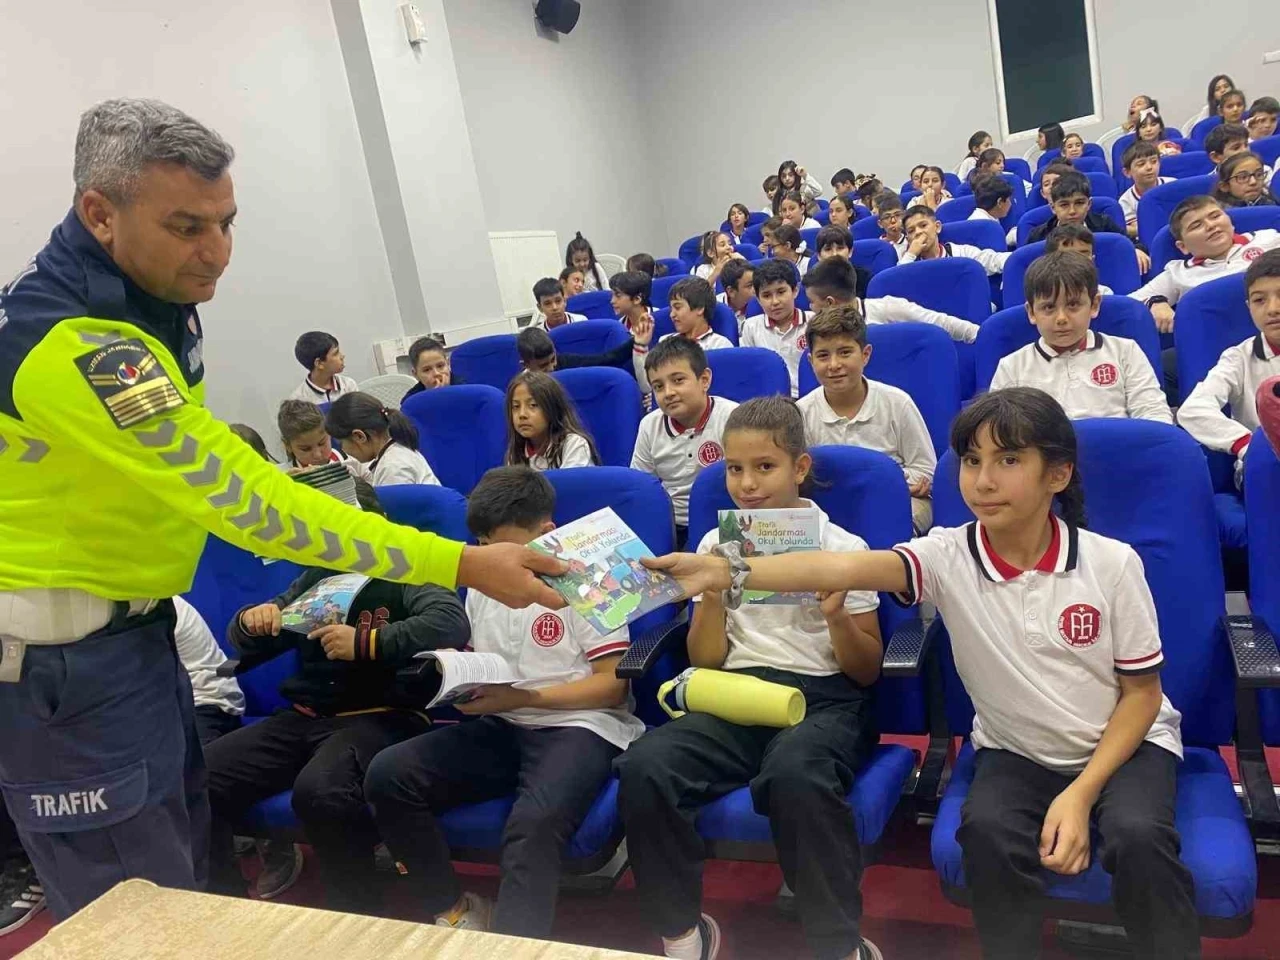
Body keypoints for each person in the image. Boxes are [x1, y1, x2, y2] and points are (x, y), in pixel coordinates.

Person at [2, 114, 556, 934]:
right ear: (100, 214)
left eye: (226, 223)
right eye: (186, 227)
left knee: (184, 881)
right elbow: (252, 504)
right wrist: (460, 563)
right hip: (66, 665)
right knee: (135, 920)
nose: (217, 251)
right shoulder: (73, 343)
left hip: (130, 643)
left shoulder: (143, 299)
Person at [650, 387, 1200, 960]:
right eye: (972, 461)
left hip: (1125, 747)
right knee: (986, 835)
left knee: (1139, 838)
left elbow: (1143, 695)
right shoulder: (945, 555)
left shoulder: (1112, 563)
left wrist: (1080, 795)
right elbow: (837, 566)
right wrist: (722, 572)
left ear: (1057, 475)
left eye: (1009, 460)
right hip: (1017, 750)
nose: (983, 481)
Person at [618, 397, 885, 960]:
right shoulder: (713, 548)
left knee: (796, 775)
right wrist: (714, 596)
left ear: (799, 467)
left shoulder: (844, 550)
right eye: (735, 469)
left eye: (765, 467)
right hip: (736, 696)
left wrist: (836, 616)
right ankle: (681, 934)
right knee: (646, 766)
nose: (747, 484)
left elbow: (866, 670)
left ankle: (839, 946)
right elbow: (706, 660)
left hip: (824, 699)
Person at [364, 466, 643, 936]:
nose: (496, 559)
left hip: (582, 724)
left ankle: (515, 945)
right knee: (388, 775)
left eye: (508, 549)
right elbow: (485, 662)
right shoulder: (484, 580)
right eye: (485, 547)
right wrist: (458, 679)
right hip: (504, 720)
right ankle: (455, 909)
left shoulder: (590, 577)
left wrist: (524, 696)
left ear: (547, 533)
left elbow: (612, 686)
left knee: (532, 826)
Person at [206, 478, 470, 912]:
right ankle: (228, 909)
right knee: (197, 779)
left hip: (381, 714)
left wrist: (367, 642)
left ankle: (358, 916)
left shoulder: (407, 568)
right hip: (305, 714)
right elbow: (255, 640)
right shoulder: (318, 577)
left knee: (321, 792)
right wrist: (250, 621)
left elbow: (450, 622)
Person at [798, 304, 936, 532]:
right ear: (811, 361)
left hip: (896, 498)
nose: (834, 365)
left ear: (865, 355)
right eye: (823, 356)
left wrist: (887, 483)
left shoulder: (897, 403)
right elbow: (798, 476)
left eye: (845, 352)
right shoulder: (802, 413)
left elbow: (925, 470)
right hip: (829, 504)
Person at [989, 252, 1171, 423]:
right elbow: (1001, 430)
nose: (1061, 318)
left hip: (1120, 446)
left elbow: (1154, 415)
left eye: (1073, 305)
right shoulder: (1012, 367)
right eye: (1049, 307)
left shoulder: (1125, 351)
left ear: (1094, 305)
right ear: (1031, 312)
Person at [1179, 249, 1280, 488]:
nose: (1272, 308)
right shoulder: (1239, 358)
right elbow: (1193, 410)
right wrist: (1249, 445)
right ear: (1248, 307)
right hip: (1266, 469)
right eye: (1259, 300)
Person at [630, 337, 738, 548]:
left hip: (721, 519)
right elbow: (641, 487)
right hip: (670, 524)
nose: (668, 393)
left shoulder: (733, 418)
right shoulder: (649, 425)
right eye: (658, 386)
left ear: (704, 380)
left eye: (678, 380)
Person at [1129, 195, 1280, 332]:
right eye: (1196, 225)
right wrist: (1154, 302)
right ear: (1183, 247)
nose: (1210, 226)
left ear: (1231, 222)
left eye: (1215, 216)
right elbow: (1128, 304)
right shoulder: (1178, 273)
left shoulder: (1268, 239)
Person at [802, 257, 980, 345]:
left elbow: (941, 323)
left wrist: (984, 336)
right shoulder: (816, 332)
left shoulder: (889, 308)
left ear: (830, 303)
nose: (810, 308)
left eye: (812, 302)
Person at [1027, 174, 1146, 278]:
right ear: (1053, 208)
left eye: (1079, 203)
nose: (1072, 211)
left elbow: (1133, 244)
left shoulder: (1103, 224)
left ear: (1089, 204)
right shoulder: (1038, 235)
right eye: (1064, 205)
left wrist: (1136, 250)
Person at [326, 392, 440, 486]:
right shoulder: (397, 448)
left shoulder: (392, 468)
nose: (344, 449)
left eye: (341, 443)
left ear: (359, 436)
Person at [742, 260, 812, 397]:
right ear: (758, 299)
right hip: (769, 400)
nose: (775, 302)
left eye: (781, 292)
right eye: (766, 295)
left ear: (795, 291)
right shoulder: (750, 327)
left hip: (806, 397)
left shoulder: (813, 322)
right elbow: (750, 371)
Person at [504, 370, 599, 470]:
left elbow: (571, 480)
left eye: (533, 405)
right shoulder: (515, 453)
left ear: (552, 409)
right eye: (516, 406)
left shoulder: (574, 444)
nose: (522, 414)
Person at [900, 206, 1011, 276]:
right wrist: (911, 254)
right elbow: (897, 282)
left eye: (923, 225)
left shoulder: (962, 252)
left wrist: (1017, 259)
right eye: (911, 231)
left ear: (937, 227)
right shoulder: (910, 262)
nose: (918, 232)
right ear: (908, 239)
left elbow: (993, 261)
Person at [609, 270, 657, 385]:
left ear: (637, 299)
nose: (612, 301)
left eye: (618, 295)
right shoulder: (618, 329)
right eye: (612, 295)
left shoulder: (661, 320)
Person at [1118, 141, 1173, 236]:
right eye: (1141, 164)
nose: (1149, 167)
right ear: (1127, 172)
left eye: (1154, 161)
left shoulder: (1173, 184)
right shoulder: (1126, 200)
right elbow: (1138, 229)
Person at [665, 278, 734, 351]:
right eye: (671, 309)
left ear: (699, 308)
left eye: (677, 307)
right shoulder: (665, 342)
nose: (672, 315)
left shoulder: (720, 345)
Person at [290, 331, 358, 405]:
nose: (342, 356)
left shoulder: (348, 385)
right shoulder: (299, 400)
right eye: (336, 353)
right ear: (319, 363)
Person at [1045, 225, 1116, 295]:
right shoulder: (1041, 294)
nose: (1078, 259)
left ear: (1092, 259)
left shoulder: (1104, 292)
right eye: (1069, 255)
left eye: (1084, 254)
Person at [402, 335, 453, 403]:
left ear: (448, 363)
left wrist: (448, 393)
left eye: (440, 366)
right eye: (427, 370)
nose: (436, 373)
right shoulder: (411, 402)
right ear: (416, 374)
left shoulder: (465, 387)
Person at [716, 258, 755, 332]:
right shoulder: (713, 310)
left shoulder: (762, 305)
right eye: (750, 286)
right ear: (731, 291)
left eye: (756, 283)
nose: (756, 289)